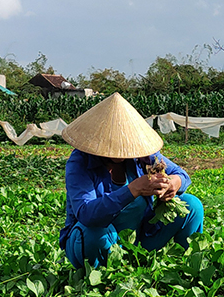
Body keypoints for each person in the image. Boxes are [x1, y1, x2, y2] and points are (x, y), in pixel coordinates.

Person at [60, 93, 204, 268]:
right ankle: (102, 273)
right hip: (100, 239)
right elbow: (86, 213)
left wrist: (174, 183)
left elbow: (182, 175)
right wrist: (133, 190)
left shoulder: (141, 154)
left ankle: (188, 263)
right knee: (94, 232)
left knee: (192, 206)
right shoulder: (80, 162)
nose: (121, 152)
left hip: (139, 239)